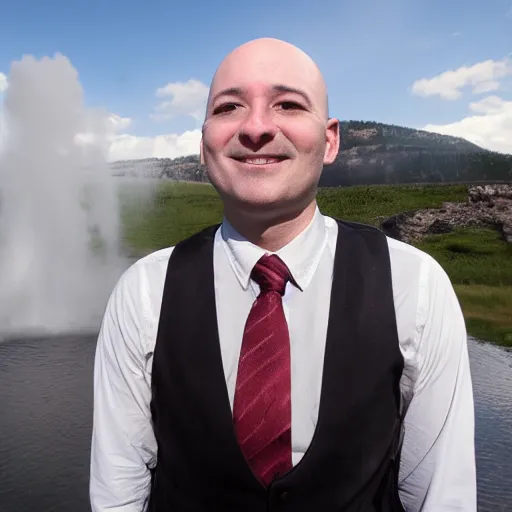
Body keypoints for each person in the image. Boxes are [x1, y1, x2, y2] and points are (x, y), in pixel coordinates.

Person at [89, 38, 477, 511]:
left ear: (330, 139)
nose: (255, 127)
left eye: (288, 104)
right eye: (229, 106)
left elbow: (442, 497)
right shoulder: (143, 293)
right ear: (204, 139)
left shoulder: (414, 286)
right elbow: (118, 493)